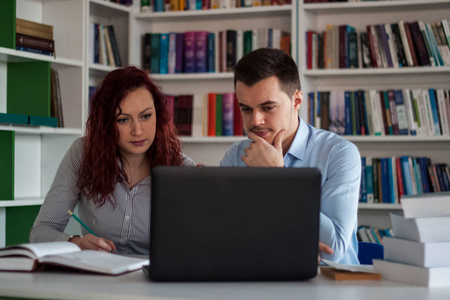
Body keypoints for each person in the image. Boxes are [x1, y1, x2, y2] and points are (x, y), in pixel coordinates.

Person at [30, 66, 196, 255]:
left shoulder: (182, 168)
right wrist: (76, 242)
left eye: (146, 116)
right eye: (123, 120)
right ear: (106, 123)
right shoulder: (83, 153)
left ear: (159, 115)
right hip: (98, 279)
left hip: (155, 281)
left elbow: (196, 244)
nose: (138, 131)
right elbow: (40, 232)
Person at [220, 48, 361, 264]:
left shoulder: (339, 154)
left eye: (267, 107)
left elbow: (333, 250)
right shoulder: (235, 156)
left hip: (329, 289)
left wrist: (277, 177)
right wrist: (293, 244)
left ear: (296, 101)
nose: (255, 120)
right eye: (246, 109)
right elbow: (223, 239)